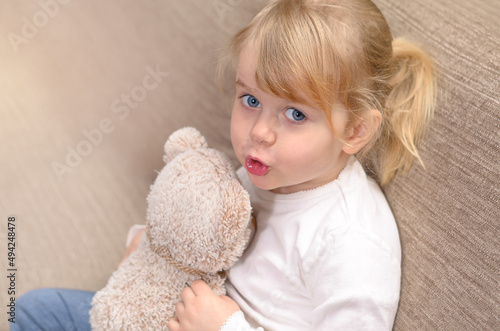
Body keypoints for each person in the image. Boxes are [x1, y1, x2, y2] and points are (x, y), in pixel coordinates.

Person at [11, 0, 436, 330]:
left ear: (356, 131)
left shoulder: (351, 239)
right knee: (33, 311)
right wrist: (152, 248)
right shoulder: (263, 171)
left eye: (294, 115)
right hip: (170, 312)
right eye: (250, 101)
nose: (259, 133)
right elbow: (204, 237)